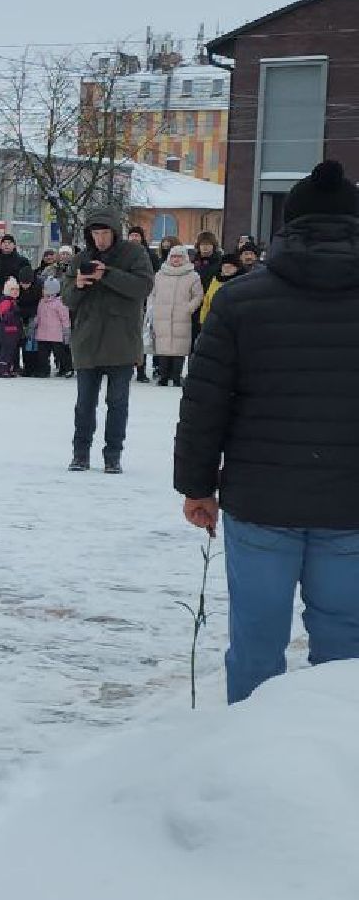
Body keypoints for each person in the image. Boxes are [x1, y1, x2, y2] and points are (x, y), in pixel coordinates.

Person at [174, 159, 359, 704]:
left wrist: (197, 486)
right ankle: (340, 762)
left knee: (256, 645)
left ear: (288, 227)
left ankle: (248, 769)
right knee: (347, 645)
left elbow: (204, 402)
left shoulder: (239, 298)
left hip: (261, 502)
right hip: (351, 504)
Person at [62, 212, 154, 473]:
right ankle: (80, 453)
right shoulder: (80, 258)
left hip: (121, 341)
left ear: (114, 232)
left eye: (105, 234)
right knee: (84, 404)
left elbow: (143, 287)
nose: (100, 239)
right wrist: (78, 284)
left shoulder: (134, 254)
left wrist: (108, 275)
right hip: (87, 340)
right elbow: (67, 298)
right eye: (95, 234)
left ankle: (113, 455)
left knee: (117, 403)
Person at [148, 244, 204, 386]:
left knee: (179, 348)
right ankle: (163, 376)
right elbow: (152, 294)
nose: (176, 260)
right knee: (163, 347)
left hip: (182, 317)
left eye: (179, 256)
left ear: (185, 258)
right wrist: (154, 309)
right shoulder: (160, 275)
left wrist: (189, 308)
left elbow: (198, 295)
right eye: (173, 256)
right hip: (162, 316)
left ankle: (176, 376)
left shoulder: (193, 276)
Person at [33, 275, 71, 378]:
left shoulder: (59, 303)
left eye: (45, 289)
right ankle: (43, 370)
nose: (43, 291)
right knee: (42, 355)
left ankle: (66, 368)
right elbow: (39, 315)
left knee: (60, 353)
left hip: (56, 335)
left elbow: (65, 318)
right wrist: (35, 324)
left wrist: (66, 331)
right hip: (42, 333)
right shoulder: (42, 302)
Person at [0, 278, 23, 378]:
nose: (15, 292)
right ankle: (1, 369)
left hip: (14, 331)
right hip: (7, 331)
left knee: (11, 351)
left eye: (17, 289)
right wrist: (13, 313)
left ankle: (9, 368)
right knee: (5, 351)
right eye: (13, 289)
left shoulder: (14, 301)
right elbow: (4, 315)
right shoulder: (5, 301)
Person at [199, 257, 241, 325]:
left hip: (232, 323)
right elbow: (206, 301)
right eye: (224, 266)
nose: (227, 269)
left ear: (236, 268)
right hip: (213, 321)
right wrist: (203, 320)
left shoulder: (240, 282)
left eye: (230, 267)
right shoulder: (215, 281)